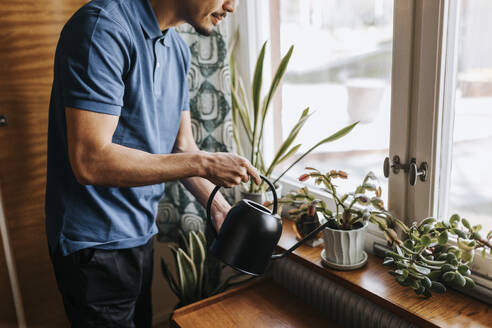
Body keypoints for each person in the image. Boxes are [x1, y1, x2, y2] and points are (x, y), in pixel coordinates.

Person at [45, 0, 260, 326]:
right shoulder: (102, 28)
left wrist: (218, 209)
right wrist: (204, 163)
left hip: (141, 233)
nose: (231, 6)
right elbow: (90, 160)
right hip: (95, 244)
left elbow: (181, 145)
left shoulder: (177, 49)